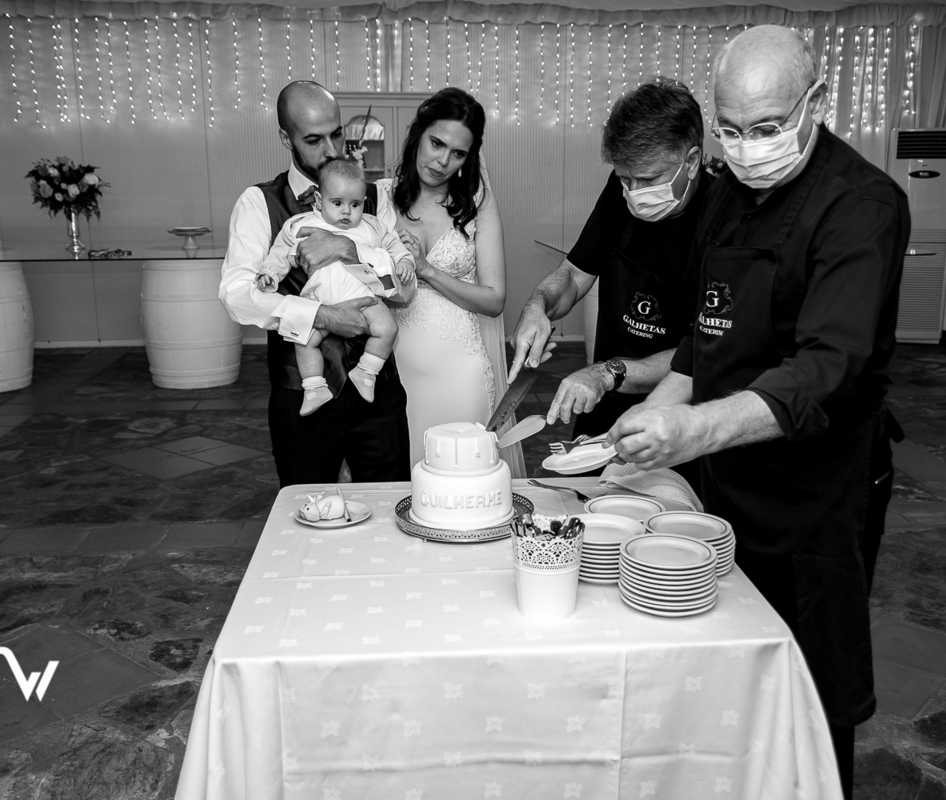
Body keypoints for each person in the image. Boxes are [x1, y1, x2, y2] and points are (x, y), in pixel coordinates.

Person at [607, 26, 910, 799]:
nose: (748, 149)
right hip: (727, 483)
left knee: (809, 692)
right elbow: (702, 345)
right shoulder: (724, 201)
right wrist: (649, 424)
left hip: (816, 497)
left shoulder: (863, 207)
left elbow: (824, 373)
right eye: (733, 130)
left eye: (769, 128)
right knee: (730, 674)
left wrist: (691, 429)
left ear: (816, 102)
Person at [507, 77, 708, 483]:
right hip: (603, 398)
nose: (633, 194)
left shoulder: (723, 222)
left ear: (690, 160)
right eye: (624, 179)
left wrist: (605, 373)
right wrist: (538, 307)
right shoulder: (624, 190)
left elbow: (701, 351)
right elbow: (576, 273)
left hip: (676, 415)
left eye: (648, 180)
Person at [218, 81, 415, 486]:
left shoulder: (375, 201)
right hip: (302, 392)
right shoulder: (261, 203)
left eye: (337, 133)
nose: (331, 150)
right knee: (305, 515)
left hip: (377, 390)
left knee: (389, 508)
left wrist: (349, 249)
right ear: (284, 138)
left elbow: (405, 292)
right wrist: (323, 315)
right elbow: (236, 295)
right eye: (313, 139)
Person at [371, 88, 524, 475]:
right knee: (398, 484)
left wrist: (427, 270)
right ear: (417, 135)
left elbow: (494, 299)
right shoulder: (377, 199)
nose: (443, 161)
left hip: (461, 372)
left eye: (458, 153)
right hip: (393, 372)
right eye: (436, 143)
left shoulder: (478, 203)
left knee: (463, 479)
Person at [257, 158, 415, 416]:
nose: (346, 212)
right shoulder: (301, 225)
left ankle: (366, 371)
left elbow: (395, 247)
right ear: (319, 200)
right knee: (302, 339)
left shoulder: (372, 226)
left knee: (388, 328)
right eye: (337, 203)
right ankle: (314, 387)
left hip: (364, 299)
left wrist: (405, 261)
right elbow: (280, 253)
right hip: (319, 302)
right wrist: (269, 273)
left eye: (355, 204)